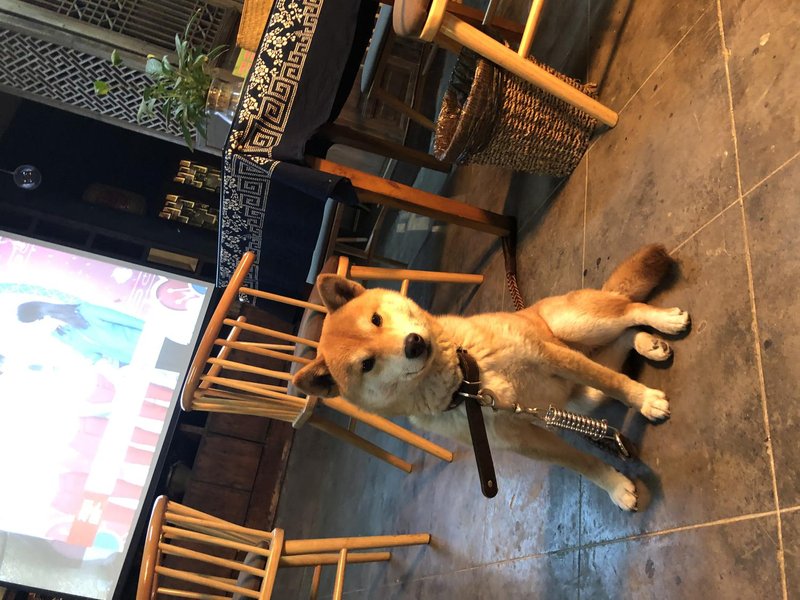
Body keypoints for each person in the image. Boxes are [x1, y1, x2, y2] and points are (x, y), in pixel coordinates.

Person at [17, 301, 144, 366]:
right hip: (141, 361)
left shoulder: (86, 310)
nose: (44, 319)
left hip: (148, 341)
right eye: (38, 319)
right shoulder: (70, 338)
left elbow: (134, 322)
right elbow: (95, 358)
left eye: (40, 316)